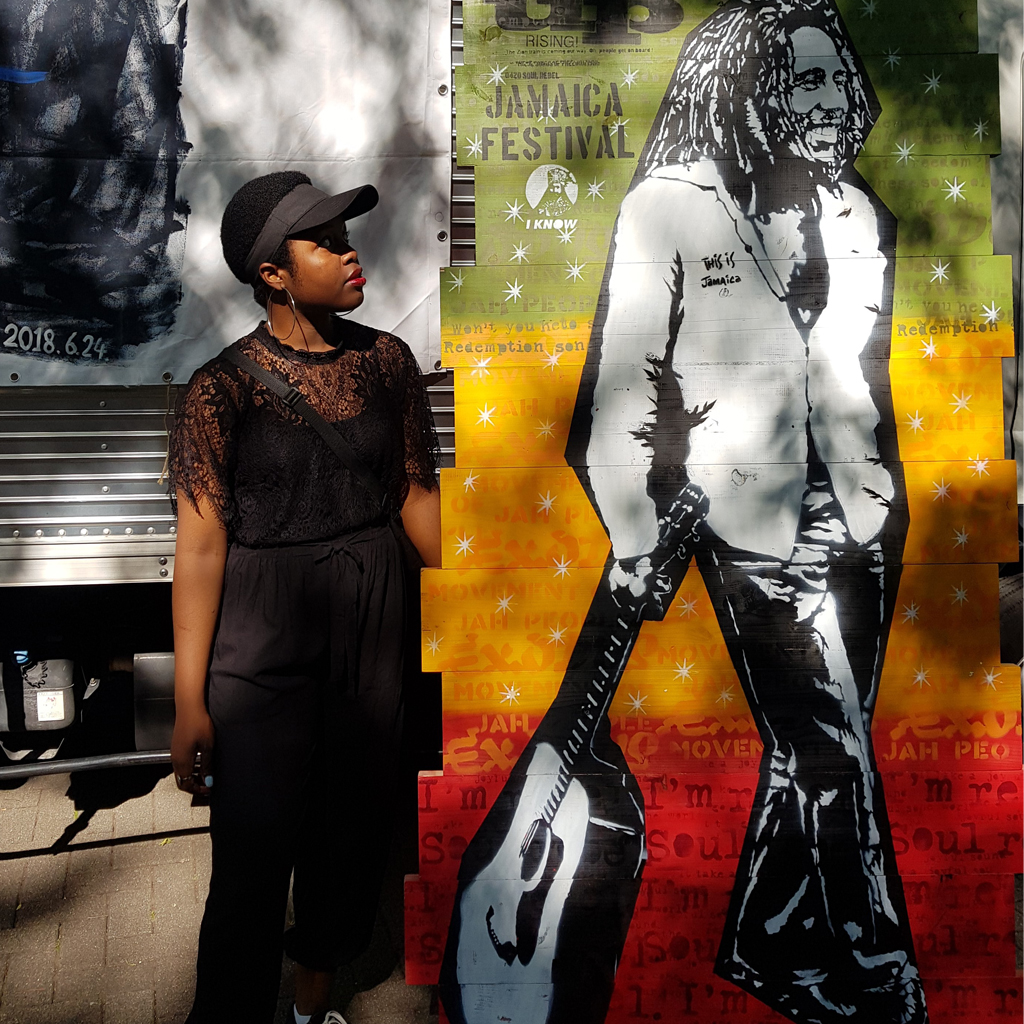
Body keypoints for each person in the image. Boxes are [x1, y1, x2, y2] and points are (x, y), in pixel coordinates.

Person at [565, 0, 927, 1020]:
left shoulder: (855, 213)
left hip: (854, 516)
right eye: (803, 80)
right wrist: (633, 534)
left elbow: (854, 374)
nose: (830, 101)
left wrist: (878, 496)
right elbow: (623, 394)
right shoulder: (669, 210)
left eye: (834, 79)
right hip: (743, 526)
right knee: (831, 747)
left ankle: (764, 943)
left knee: (810, 744)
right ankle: (878, 974)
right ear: (748, 90)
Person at [168, 171, 441, 1024]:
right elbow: (202, 547)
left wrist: (501, 601)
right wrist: (188, 701)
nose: (350, 252)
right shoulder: (221, 391)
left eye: (345, 234)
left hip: (373, 625)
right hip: (264, 637)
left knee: (350, 837)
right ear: (272, 275)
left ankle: (314, 1002)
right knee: (251, 857)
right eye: (323, 241)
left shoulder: (387, 362)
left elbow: (417, 500)